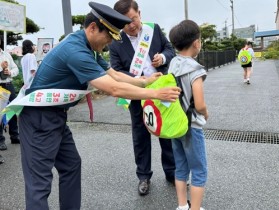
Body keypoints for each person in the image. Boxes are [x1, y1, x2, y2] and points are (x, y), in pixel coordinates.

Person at [18, 2, 180, 210]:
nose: (110, 43)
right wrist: (155, 93)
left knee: (71, 165)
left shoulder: (88, 47)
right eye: (109, 37)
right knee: (39, 184)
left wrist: (144, 82)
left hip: (56, 116)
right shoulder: (75, 51)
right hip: (38, 118)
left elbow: (114, 74)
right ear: (93, 28)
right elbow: (112, 88)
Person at [109, 0, 176, 196]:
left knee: (166, 129)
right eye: (125, 22)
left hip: (161, 89)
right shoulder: (116, 42)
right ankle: (143, 176)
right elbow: (116, 70)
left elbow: (169, 49)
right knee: (140, 135)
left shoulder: (153, 30)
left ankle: (172, 173)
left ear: (140, 13)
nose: (131, 25)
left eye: (134, 19)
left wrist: (163, 58)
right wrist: (140, 80)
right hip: (137, 93)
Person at [168, 20, 209, 210]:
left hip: (176, 124)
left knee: (181, 167)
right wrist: (206, 113)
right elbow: (199, 104)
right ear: (196, 43)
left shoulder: (173, 64)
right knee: (199, 170)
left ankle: (182, 205)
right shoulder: (195, 69)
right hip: (192, 125)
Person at [0, 39, 20, 151]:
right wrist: (1, 68)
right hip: (0, 87)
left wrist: (10, 72)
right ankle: (1, 140)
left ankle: (14, 135)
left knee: (12, 109)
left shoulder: (6, 54)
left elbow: (15, 68)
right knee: (0, 113)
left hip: (9, 84)